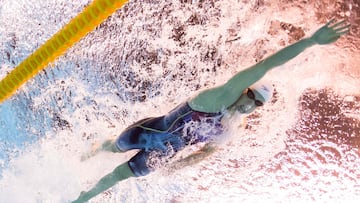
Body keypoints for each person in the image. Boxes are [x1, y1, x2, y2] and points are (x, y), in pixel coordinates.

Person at [72, 19, 350, 202]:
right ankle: (81, 156)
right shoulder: (221, 97)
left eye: (257, 104)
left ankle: (82, 198)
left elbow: (206, 153)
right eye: (251, 96)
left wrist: (177, 166)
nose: (250, 105)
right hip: (149, 132)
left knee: (119, 176)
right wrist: (311, 41)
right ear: (245, 89)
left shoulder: (232, 127)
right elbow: (266, 65)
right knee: (113, 147)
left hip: (164, 155)